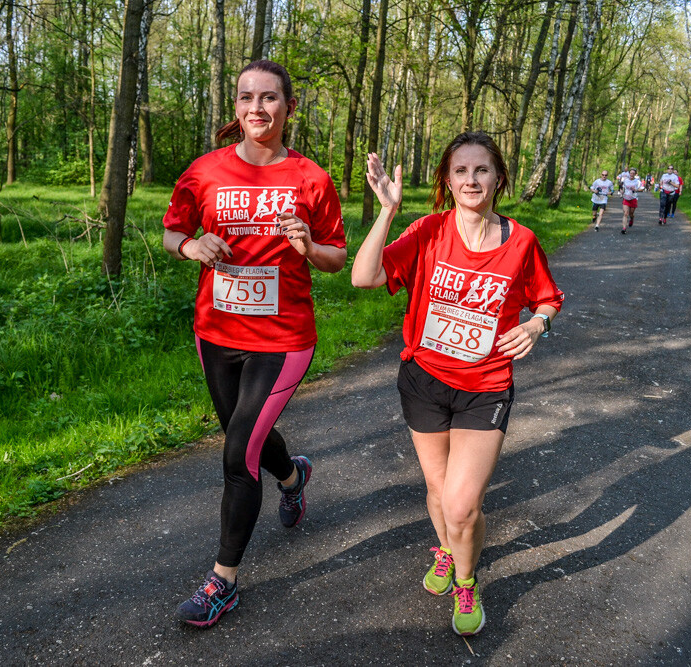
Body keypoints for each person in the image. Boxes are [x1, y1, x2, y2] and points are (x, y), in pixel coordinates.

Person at [350, 131, 564, 638]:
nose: (471, 180)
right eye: (461, 171)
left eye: (481, 170)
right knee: (438, 491)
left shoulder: (522, 241)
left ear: (498, 178)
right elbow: (363, 277)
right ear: (448, 180)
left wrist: (536, 325)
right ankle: (447, 548)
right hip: (423, 381)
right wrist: (386, 212)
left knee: (463, 503)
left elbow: (548, 299)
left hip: (484, 387)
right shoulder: (428, 231)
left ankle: (465, 580)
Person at [162, 59, 347, 628]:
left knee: (237, 451)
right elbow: (172, 232)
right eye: (247, 97)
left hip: (282, 338)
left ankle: (223, 581)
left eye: (270, 98)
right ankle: (293, 476)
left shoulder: (311, 178)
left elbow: (337, 259)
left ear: (289, 108)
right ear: (236, 107)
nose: (257, 108)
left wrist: (309, 248)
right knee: (245, 434)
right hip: (215, 332)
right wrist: (191, 248)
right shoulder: (204, 172)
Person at [619, 168, 645, 234]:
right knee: (625, 213)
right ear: (629, 174)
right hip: (626, 198)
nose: (632, 174)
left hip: (633, 198)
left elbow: (642, 189)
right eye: (631, 173)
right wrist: (622, 191)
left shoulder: (637, 181)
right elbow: (623, 188)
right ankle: (624, 228)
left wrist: (636, 189)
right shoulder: (625, 180)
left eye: (633, 173)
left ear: (635, 174)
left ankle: (632, 218)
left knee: (631, 213)